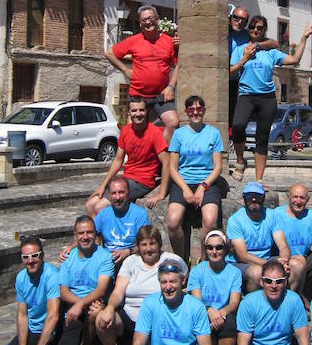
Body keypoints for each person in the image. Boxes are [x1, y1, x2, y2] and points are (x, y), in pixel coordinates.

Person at [94, 226, 188, 345]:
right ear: (138, 246)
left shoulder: (172, 260)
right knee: (101, 320)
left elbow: (184, 285)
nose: (148, 249)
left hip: (156, 319)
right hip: (130, 315)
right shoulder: (131, 262)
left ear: (159, 245)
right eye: (144, 244)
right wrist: (109, 308)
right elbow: (118, 292)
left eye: (152, 244)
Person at [230, 16, 312, 182]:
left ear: (264, 30)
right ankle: (240, 161)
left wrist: (304, 38)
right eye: (252, 27)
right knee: (238, 126)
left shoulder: (271, 52)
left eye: (259, 28)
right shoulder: (240, 48)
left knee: (262, 138)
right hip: (246, 95)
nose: (255, 30)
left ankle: (259, 180)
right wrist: (245, 58)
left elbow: (295, 60)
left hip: (267, 98)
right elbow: (230, 71)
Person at [48, 216, 114, 345]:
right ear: (75, 236)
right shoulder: (69, 258)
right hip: (74, 309)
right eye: (81, 233)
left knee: (95, 312)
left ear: (96, 234)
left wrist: (80, 304)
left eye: (89, 232)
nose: (86, 236)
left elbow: (101, 289)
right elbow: (63, 291)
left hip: (93, 304)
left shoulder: (104, 256)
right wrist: (79, 304)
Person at [105, 4, 179, 143]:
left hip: (161, 95)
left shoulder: (169, 42)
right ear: (140, 23)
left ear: (157, 20)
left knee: (173, 123)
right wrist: (126, 70)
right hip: (138, 94)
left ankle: (160, 154)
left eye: (150, 18)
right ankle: (129, 159)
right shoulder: (134, 40)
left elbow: (177, 65)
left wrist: (171, 86)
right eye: (144, 20)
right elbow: (109, 53)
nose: (148, 22)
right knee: (133, 131)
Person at [86, 97, 170, 217]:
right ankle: (99, 235)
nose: (138, 114)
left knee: (99, 207)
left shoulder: (155, 132)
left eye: (141, 110)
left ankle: (107, 234)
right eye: (134, 111)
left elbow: (166, 163)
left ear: (146, 112)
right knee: (90, 205)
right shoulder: (125, 131)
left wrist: (161, 194)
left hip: (143, 181)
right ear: (129, 113)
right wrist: (103, 185)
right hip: (126, 179)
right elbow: (118, 160)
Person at [167, 95, 224, 262]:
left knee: (210, 220)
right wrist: (185, 189)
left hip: (207, 182)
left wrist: (202, 187)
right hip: (182, 181)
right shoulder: (178, 134)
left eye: (199, 109)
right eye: (191, 110)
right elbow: (172, 167)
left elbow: (218, 167)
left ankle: (204, 260)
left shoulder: (213, 133)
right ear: (186, 112)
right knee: (173, 221)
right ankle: (182, 259)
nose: (195, 112)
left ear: (204, 110)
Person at [187, 229, 242, 345]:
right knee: (202, 323)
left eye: (219, 247)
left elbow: (234, 302)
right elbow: (196, 301)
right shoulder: (197, 271)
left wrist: (220, 314)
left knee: (230, 324)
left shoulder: (234, 272)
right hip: (204, 312)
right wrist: (210, 311)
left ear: (226, 249)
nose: (214, 251)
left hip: (224, 314)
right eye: (210, 248)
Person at [60, 177, 149, 269]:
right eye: (113, 193)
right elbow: (89, 234)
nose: (117, 197)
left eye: (121, 192)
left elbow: (147, 243)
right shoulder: (104, 214)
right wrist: (70, 248)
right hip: (108, 259)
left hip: (132, 259)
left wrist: (128, 251)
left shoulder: (139, 214)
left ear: (128, 193)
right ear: (109, 196)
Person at [226, 181, 292, 293]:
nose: (253, 199)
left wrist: (284, 262)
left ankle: (289, 301)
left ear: (263, 198)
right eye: (249, 196)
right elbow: (242, 255)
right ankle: (253, 304)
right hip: (240, 263)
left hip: (266, 259)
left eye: (258, 196)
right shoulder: (235, 220)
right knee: (257, 272)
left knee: (296, 265)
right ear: (243, 198)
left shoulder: (272, 216)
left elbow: (283, 246)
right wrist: (270, 265)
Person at [228, 7, 277, 129]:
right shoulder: (221, 32)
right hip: (219, 76)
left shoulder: (247, 34)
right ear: (230, 18)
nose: (239, 22)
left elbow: (275, 43)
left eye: (243, 20)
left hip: (236, 81)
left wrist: (256, 45)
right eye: (236, 18)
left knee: (234, 121)